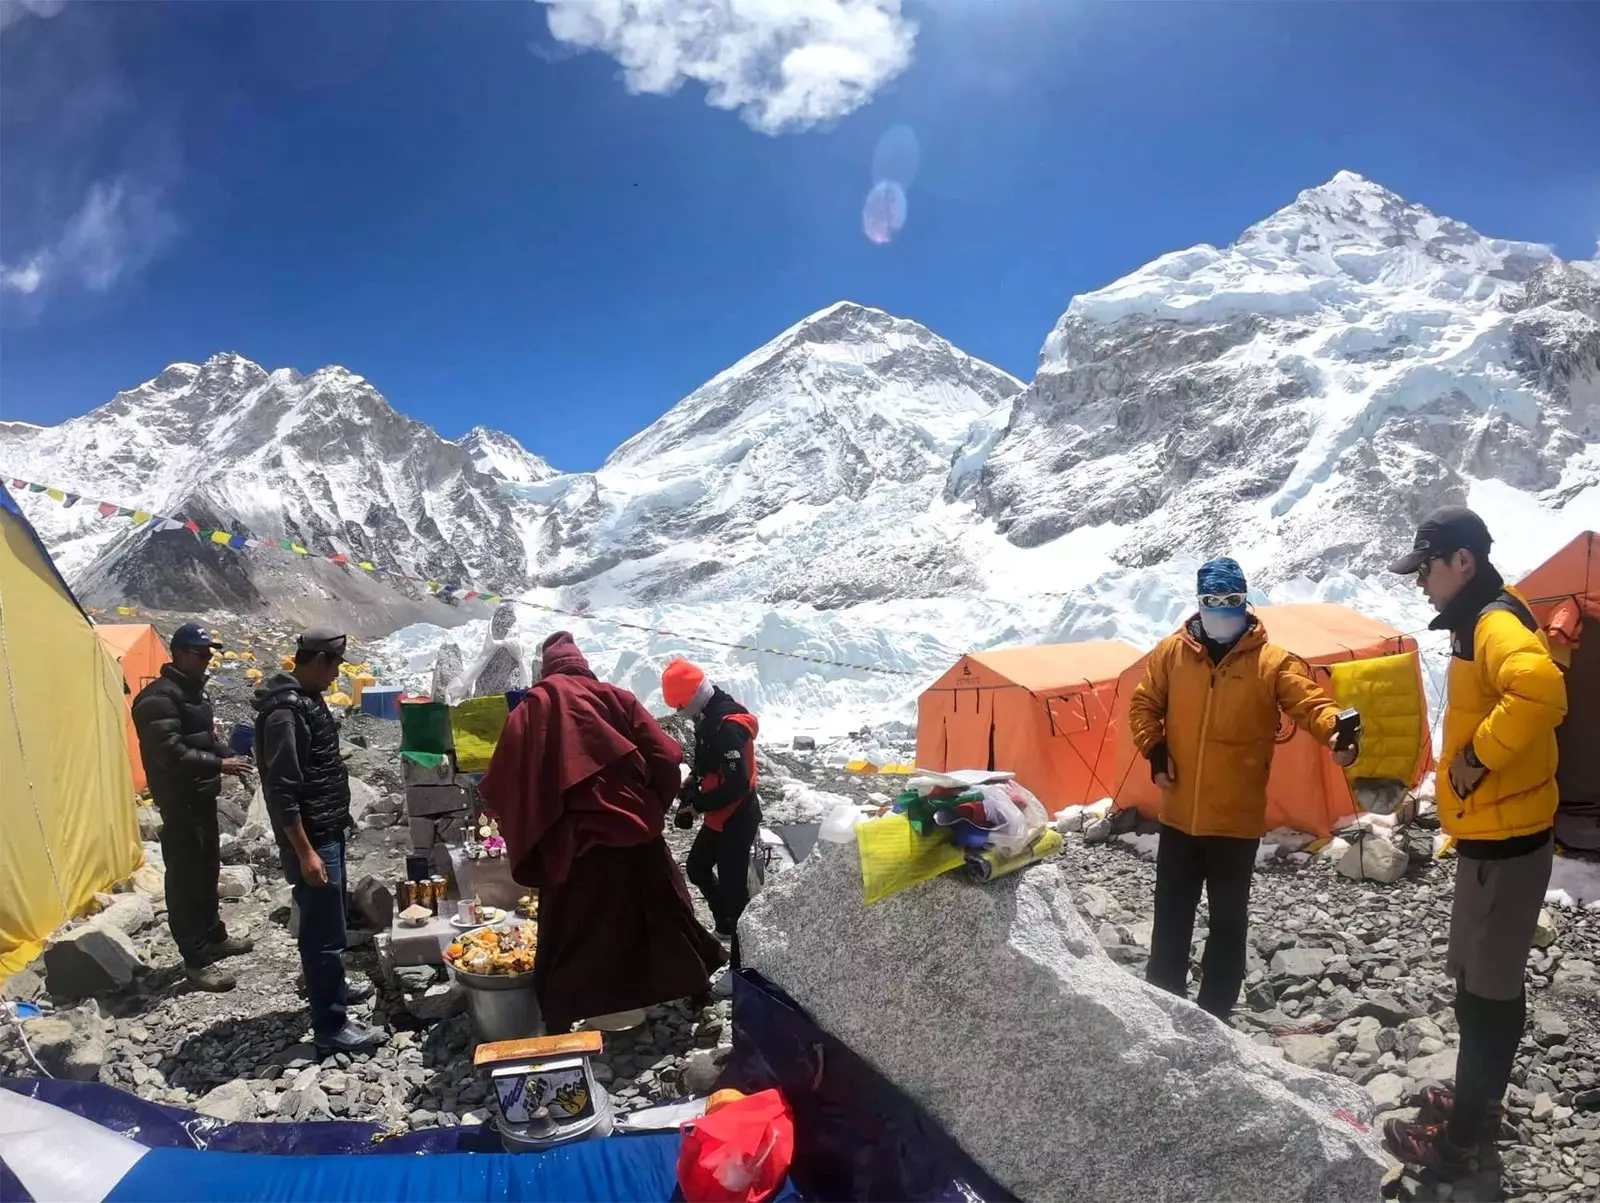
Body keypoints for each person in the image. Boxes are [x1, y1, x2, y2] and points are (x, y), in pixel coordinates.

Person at [1382, 507, 1567, 1171]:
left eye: (1426, 567)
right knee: (1484, 984)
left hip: (1507, 844)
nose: (1420, 581)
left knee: (1485, 994)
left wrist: (1478, 757)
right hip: (1499, 836)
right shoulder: (1486, 612)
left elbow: (1542, 688)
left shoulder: (1491, 619)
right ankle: (1479, 1101)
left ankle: (1460, 1139)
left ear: (1462, 560)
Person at [1128, 558, 1359, 1020]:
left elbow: (1308, 701)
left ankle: (1215, 1015)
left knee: (1228, 924)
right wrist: (1154, 748)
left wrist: (1335, 728)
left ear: (1245, 602)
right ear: (1198, 604)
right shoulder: (1171, 655)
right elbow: (1143, 703)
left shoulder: (1273, 662)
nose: (1222, 612)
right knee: (1171, 917)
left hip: (1235, 820)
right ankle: (1161, 1006)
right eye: (1212, 603)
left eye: (1231, 602)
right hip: (1179, 817)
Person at [480, 633, 724, 1032]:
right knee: (663, 912)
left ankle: (560, 1017)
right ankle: (696, 994)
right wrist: (648, 805)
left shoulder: (527, 712)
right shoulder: (613, 698)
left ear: (548, 669)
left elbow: (503, 782)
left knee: (573, 928)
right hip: (631, 830)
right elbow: (664, 755)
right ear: (581, 664)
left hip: (569, 843)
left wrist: (533, 824)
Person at [255, 628, 383, 1054]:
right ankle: (331, 1024)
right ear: (319, 661)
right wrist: (305, 851)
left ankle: (335, 992)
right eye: (335, 667)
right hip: (312, 838)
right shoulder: (285, 714)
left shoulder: (307, 702)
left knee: (332, 923)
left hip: (326, 829)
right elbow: (282, 789)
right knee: (322, 932)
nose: (336, 677)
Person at [131, 623, 254, 991]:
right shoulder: (158, 699)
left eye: (209, 655)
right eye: (201, 655)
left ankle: (215, 937)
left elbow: (203, 739)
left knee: (206, 871)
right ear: (180, 653)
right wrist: (219, 764)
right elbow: (170, 751)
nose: (207, 661)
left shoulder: (193, 696)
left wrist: (229, 755)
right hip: (179, 800)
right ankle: (196, 961)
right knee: (185, 880)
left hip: (200, 797)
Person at [663, 661, 761, 965]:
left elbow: (738, 784)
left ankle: (743, 968)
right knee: (697, 867)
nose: (680, 714)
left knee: (735, 892)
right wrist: (696, 778)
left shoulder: (728, 727)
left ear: (691, 699)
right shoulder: (708, 717)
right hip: (720, 815)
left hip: (737, 816)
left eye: (680, 708)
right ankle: (727, 926)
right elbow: (709, 758)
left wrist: (699, 805)